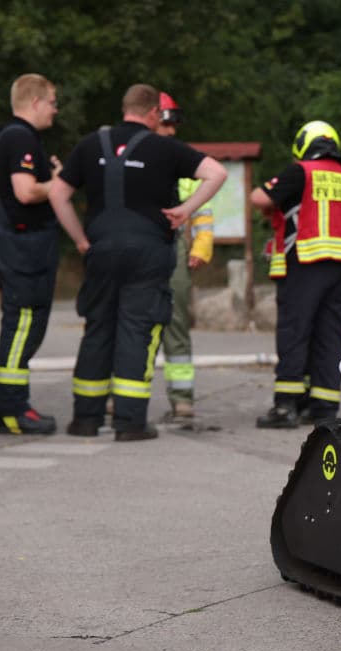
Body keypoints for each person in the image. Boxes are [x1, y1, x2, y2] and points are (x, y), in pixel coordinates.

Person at [48, 84, 227, 441]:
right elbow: (216, 173)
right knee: (137, 330)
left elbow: (58, 193)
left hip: (101, 251)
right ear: (153, 113)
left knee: (98, 329)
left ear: (125, 108)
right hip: (148, 254)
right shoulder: (165, 148)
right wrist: (185, 210)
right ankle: (129, 423)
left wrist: (80, 239)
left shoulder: (90, 145)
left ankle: (85, 419)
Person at [250, 120, 341, 429]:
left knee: (295, 331)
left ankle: (286, 406)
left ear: (303, 146)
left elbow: (259, 198)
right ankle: (323, 406)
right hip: (339, 267)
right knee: (328, 335)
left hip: (304, 263)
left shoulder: (301, 172)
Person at [0, 73, 62, 435]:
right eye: (52, 102)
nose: (55, 109)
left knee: (25, 325)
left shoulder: (14, 136)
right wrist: (59, 183)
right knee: (22, 326)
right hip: (24, 247)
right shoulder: (20, 137)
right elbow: (26, 191)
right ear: (35, 102)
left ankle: (12, 406)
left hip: (22, 245)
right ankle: (12, 411)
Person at [155, 92, 215, 423]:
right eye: (166, 123)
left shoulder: (184, 165)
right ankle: (119, 399)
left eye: (173, 124)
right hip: (143, 247)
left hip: (175, 247)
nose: (172, 131)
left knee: (175, 323)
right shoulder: (135, 156)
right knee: (131, 323)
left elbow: (203, 215)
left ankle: (182, 401)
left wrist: (201, 248)